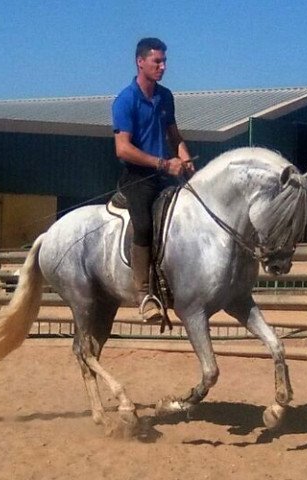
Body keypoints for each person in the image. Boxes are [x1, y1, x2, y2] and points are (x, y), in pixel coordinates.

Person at [112, 37, 194, 322]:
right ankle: (143, 293)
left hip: (167, 174)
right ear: (140, 62)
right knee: (144, 224)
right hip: (139, 178)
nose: (163, 66)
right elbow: (122, 148)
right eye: (157, 61)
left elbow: (174, 135)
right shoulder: (125, 100)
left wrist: (185, 158)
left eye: (164, 61)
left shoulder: (166, 97)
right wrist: (161, 163)